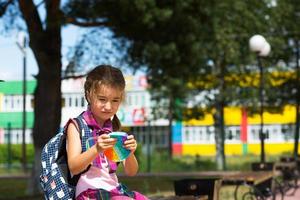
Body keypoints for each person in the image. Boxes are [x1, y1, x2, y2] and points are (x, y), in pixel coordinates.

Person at [66, 65, 148, 200]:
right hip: (88, 193)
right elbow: (74, 167)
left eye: (115, 100)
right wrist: (96, 149)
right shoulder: (77, 126)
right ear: (88, 95)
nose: (109, 106)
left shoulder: (114, 129)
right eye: (102, 99)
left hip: (114, 190)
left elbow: (131, 172)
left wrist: (130, 153)